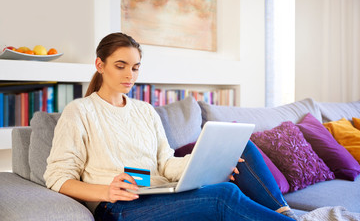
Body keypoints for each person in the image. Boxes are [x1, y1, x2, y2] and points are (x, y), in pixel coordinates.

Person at [44, 32, 298, 221]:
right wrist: (107, 191)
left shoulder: (145, 111)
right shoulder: (80, 111)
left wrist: (208, 164)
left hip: (159, 192)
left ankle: (285, 213)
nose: (129, 75)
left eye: (135, 68)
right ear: (100, 65)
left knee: (242, 148)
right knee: (224, 194)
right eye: (120, 66)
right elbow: (57, 177)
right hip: (120, 207)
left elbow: (165, 163)